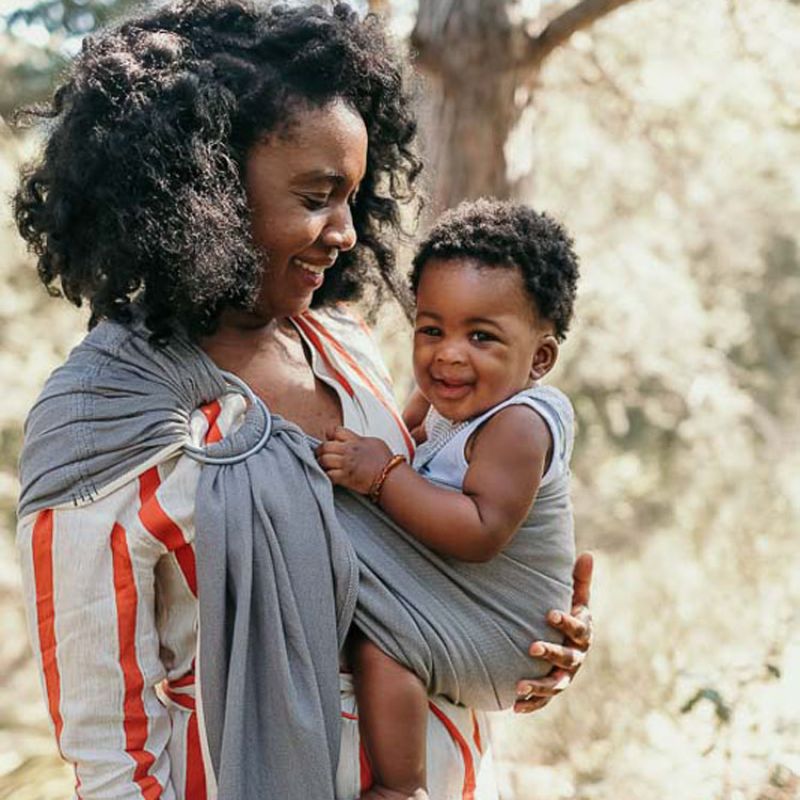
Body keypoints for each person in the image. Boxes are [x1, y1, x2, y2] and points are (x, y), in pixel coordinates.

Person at [13, 2, 593, 798]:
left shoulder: (340, 344)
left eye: (353, 196)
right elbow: (108, 742)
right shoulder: (100, 424)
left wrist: (513, 637)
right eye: (318, 195)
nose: (348, 231)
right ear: (203, 185)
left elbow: (409, 575)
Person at [316, 199, 579, 799]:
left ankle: (402, 786)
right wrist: (397, 445)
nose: (449, 353)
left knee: (382, 642)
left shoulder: (520, 423)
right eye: (431, 329)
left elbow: (479, 531)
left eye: (481, 336)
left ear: (539, 358)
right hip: (472, 611)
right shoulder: (451, 403)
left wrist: (382, 476)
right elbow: (404, 434)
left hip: (508, 631)